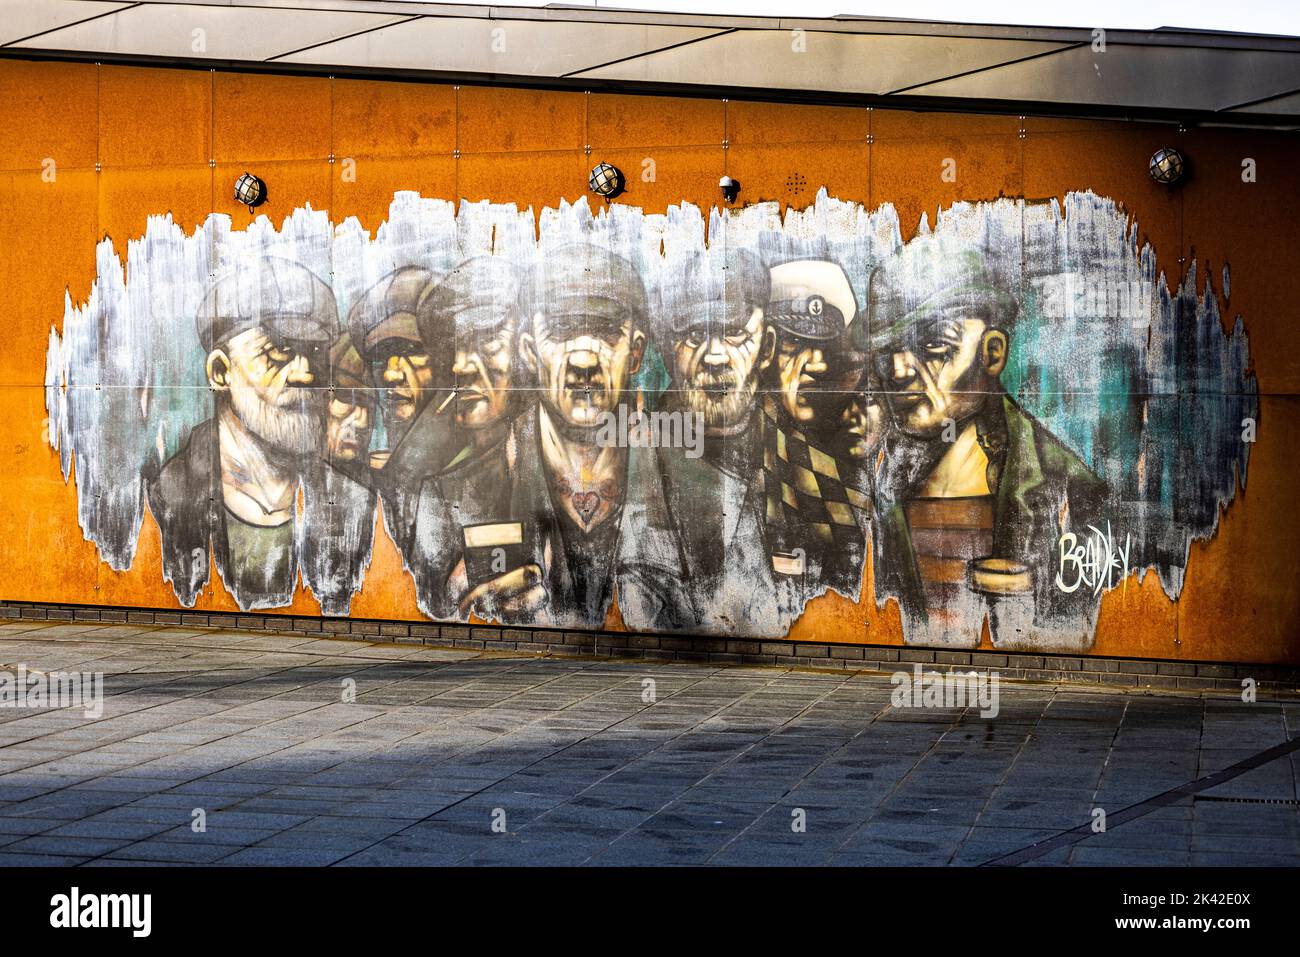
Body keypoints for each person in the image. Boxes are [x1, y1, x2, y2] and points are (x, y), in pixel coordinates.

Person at [865, 237, 1108, 645]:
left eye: (933, 345)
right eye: (886, 350)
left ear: (992, 353)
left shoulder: (1066, 483)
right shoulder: (878, 474)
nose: (899, 369)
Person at [147, 256, 336, 609]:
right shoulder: (167, 493)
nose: (305, 373)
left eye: (313, 352)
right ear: (221, 372)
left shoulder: (349, 497)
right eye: (278, 352)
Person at [653, 247, 785, 634]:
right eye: (694, 335)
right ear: (667, 350)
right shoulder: (641, 457)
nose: (714, 357)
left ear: (768, 348)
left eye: (733, 334)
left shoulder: (799, 453)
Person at [759, 259, 873, 602]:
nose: (818, 363)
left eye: (825, 347)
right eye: (795, 344)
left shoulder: (832, 448)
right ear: (766, 349)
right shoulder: (748, 446)